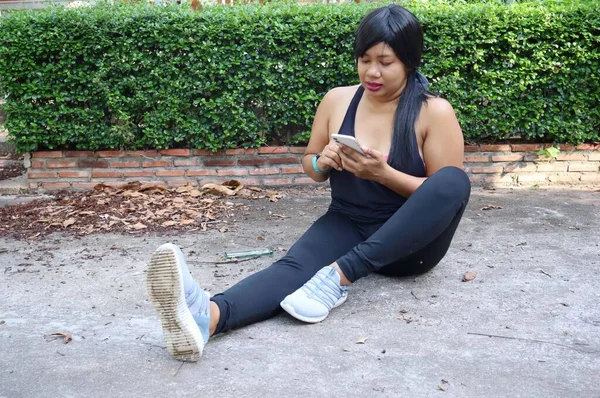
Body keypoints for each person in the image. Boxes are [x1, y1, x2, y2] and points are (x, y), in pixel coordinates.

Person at [146, 4, 471, 362]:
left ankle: (339, 276)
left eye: (386, 61)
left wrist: (383, 174)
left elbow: (444, 196)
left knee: (455, 180)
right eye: (364, 59)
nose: (372, 71)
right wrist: (322, 161)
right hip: (348, 223)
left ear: (409, 61)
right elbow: (311, 166)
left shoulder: (434, 112)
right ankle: (205, 316)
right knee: (293, 268)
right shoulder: (337, 99)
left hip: (411, 248)